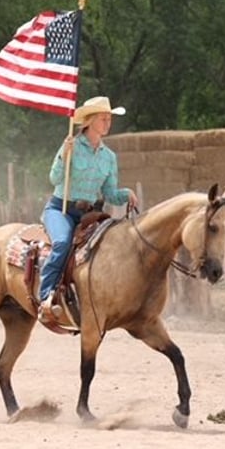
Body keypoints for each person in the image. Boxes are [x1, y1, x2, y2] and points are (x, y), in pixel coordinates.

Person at [38, 96, 139, 321]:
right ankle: (45, 296)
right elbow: (54, 178)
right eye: (103, 118)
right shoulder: (71, 145)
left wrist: (126, 194)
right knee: (63, 243)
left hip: (89, 215)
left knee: (115, 245)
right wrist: (64, 155)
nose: (108, 122)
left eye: (109, 119)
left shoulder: (109, 157)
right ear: (90, 121)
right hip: (61, 210)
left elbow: (110, 193)